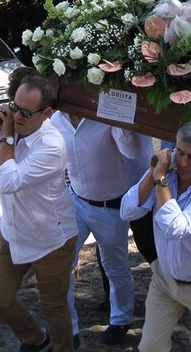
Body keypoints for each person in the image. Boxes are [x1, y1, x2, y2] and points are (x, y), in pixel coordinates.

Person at [0, 74, 77, 352]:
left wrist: (6, 136)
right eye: (14, 106)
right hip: (12, 233)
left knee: (54, 306)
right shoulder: (5, 130)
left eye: (25, 112)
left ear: (46, 113)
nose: (17, 116)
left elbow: (10, 181)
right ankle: (36, 339)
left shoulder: (52, 145)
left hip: (51, 240)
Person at [120, 120, 191, 352]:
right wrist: (153, 174)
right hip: (165, 279)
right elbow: (128, 210)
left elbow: (175, 228)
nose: (182, 162)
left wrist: (160, 180)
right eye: (179, 153)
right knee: (150, 346)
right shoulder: (166, 172)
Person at [50, 111, 141, 347]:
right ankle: (69, 329)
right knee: (62, 263)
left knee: (114, 265)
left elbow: (131, 151)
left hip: (109, 207)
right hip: (76, 201)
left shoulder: (104, 116)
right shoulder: (57, 120)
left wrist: (121, 123)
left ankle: (121, 320)